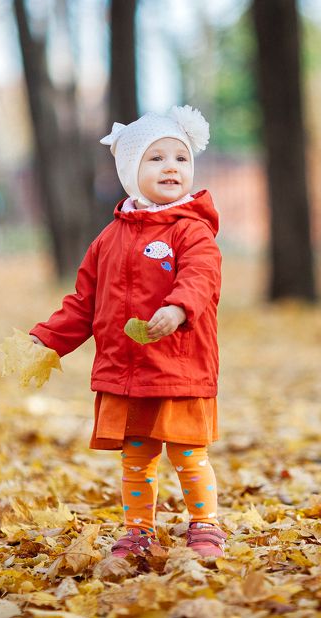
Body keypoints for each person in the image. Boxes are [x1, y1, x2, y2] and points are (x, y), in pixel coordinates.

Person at [29, 106, 226, 558]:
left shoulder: (191, 231)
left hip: (178, 366)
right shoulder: (108, 239)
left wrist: (178, 308)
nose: (171, 167)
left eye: (180, 157)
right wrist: (47, 339)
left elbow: (201, 277)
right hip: (127, 372)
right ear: (129, 171)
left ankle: (205, 525)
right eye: (156, 159)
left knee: (187, 453)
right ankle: (139, 530)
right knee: (136, 457)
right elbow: (84, 302)